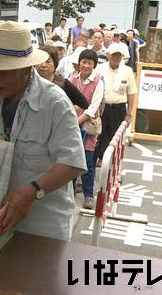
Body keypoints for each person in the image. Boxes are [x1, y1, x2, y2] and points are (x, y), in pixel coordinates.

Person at [0, 22, 87, 241]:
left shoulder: (55, 102)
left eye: (2, 72)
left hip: (41, 226)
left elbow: (72, 162)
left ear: (25, 68)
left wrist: (33, 191)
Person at [69, 49, 104, 210]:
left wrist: (78, 120)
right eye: (84, 61)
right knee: (69, 159)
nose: (86, 65)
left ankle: (89, 195)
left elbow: (93, 107)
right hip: (71, 124)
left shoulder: (98, 81)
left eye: (90, 63)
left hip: (86, 127)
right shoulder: (72, 78)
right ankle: (70, 192)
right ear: (79, 62)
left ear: (94, 65)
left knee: (88, 161)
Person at [95, 43, 137, 164]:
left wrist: (129, 114)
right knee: (100, 134)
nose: (115, 58)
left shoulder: (127, 70)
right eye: (113, 55)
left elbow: (131, 93)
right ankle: (99, 158)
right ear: (108, 55)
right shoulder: (100, 68)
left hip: (119, 109)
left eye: (118, 56)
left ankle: (113, 163)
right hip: (102, 107)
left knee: (115, 136)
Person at [35, 45, 89, 111]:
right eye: (40, 60)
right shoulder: (30, 83)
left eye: (48, 61)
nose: (43, 65)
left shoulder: (63, 84)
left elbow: (83, 104)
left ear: (55, 63)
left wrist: (62, 111)